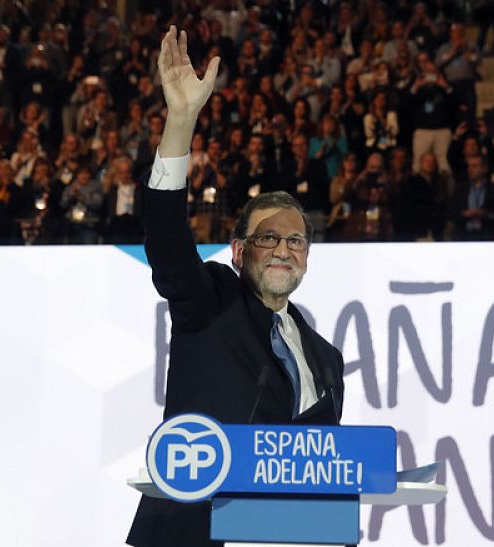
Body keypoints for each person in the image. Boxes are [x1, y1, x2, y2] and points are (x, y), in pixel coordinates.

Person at [127, 26, 345, 547]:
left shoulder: (328, 359)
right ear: (239, 250)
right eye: (268, 237)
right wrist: (181, 121)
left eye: (295, 241)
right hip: (188, 531)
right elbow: (169, 246)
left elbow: (320, 469)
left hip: (287, 536)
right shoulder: (212, 301)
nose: (283, 249)